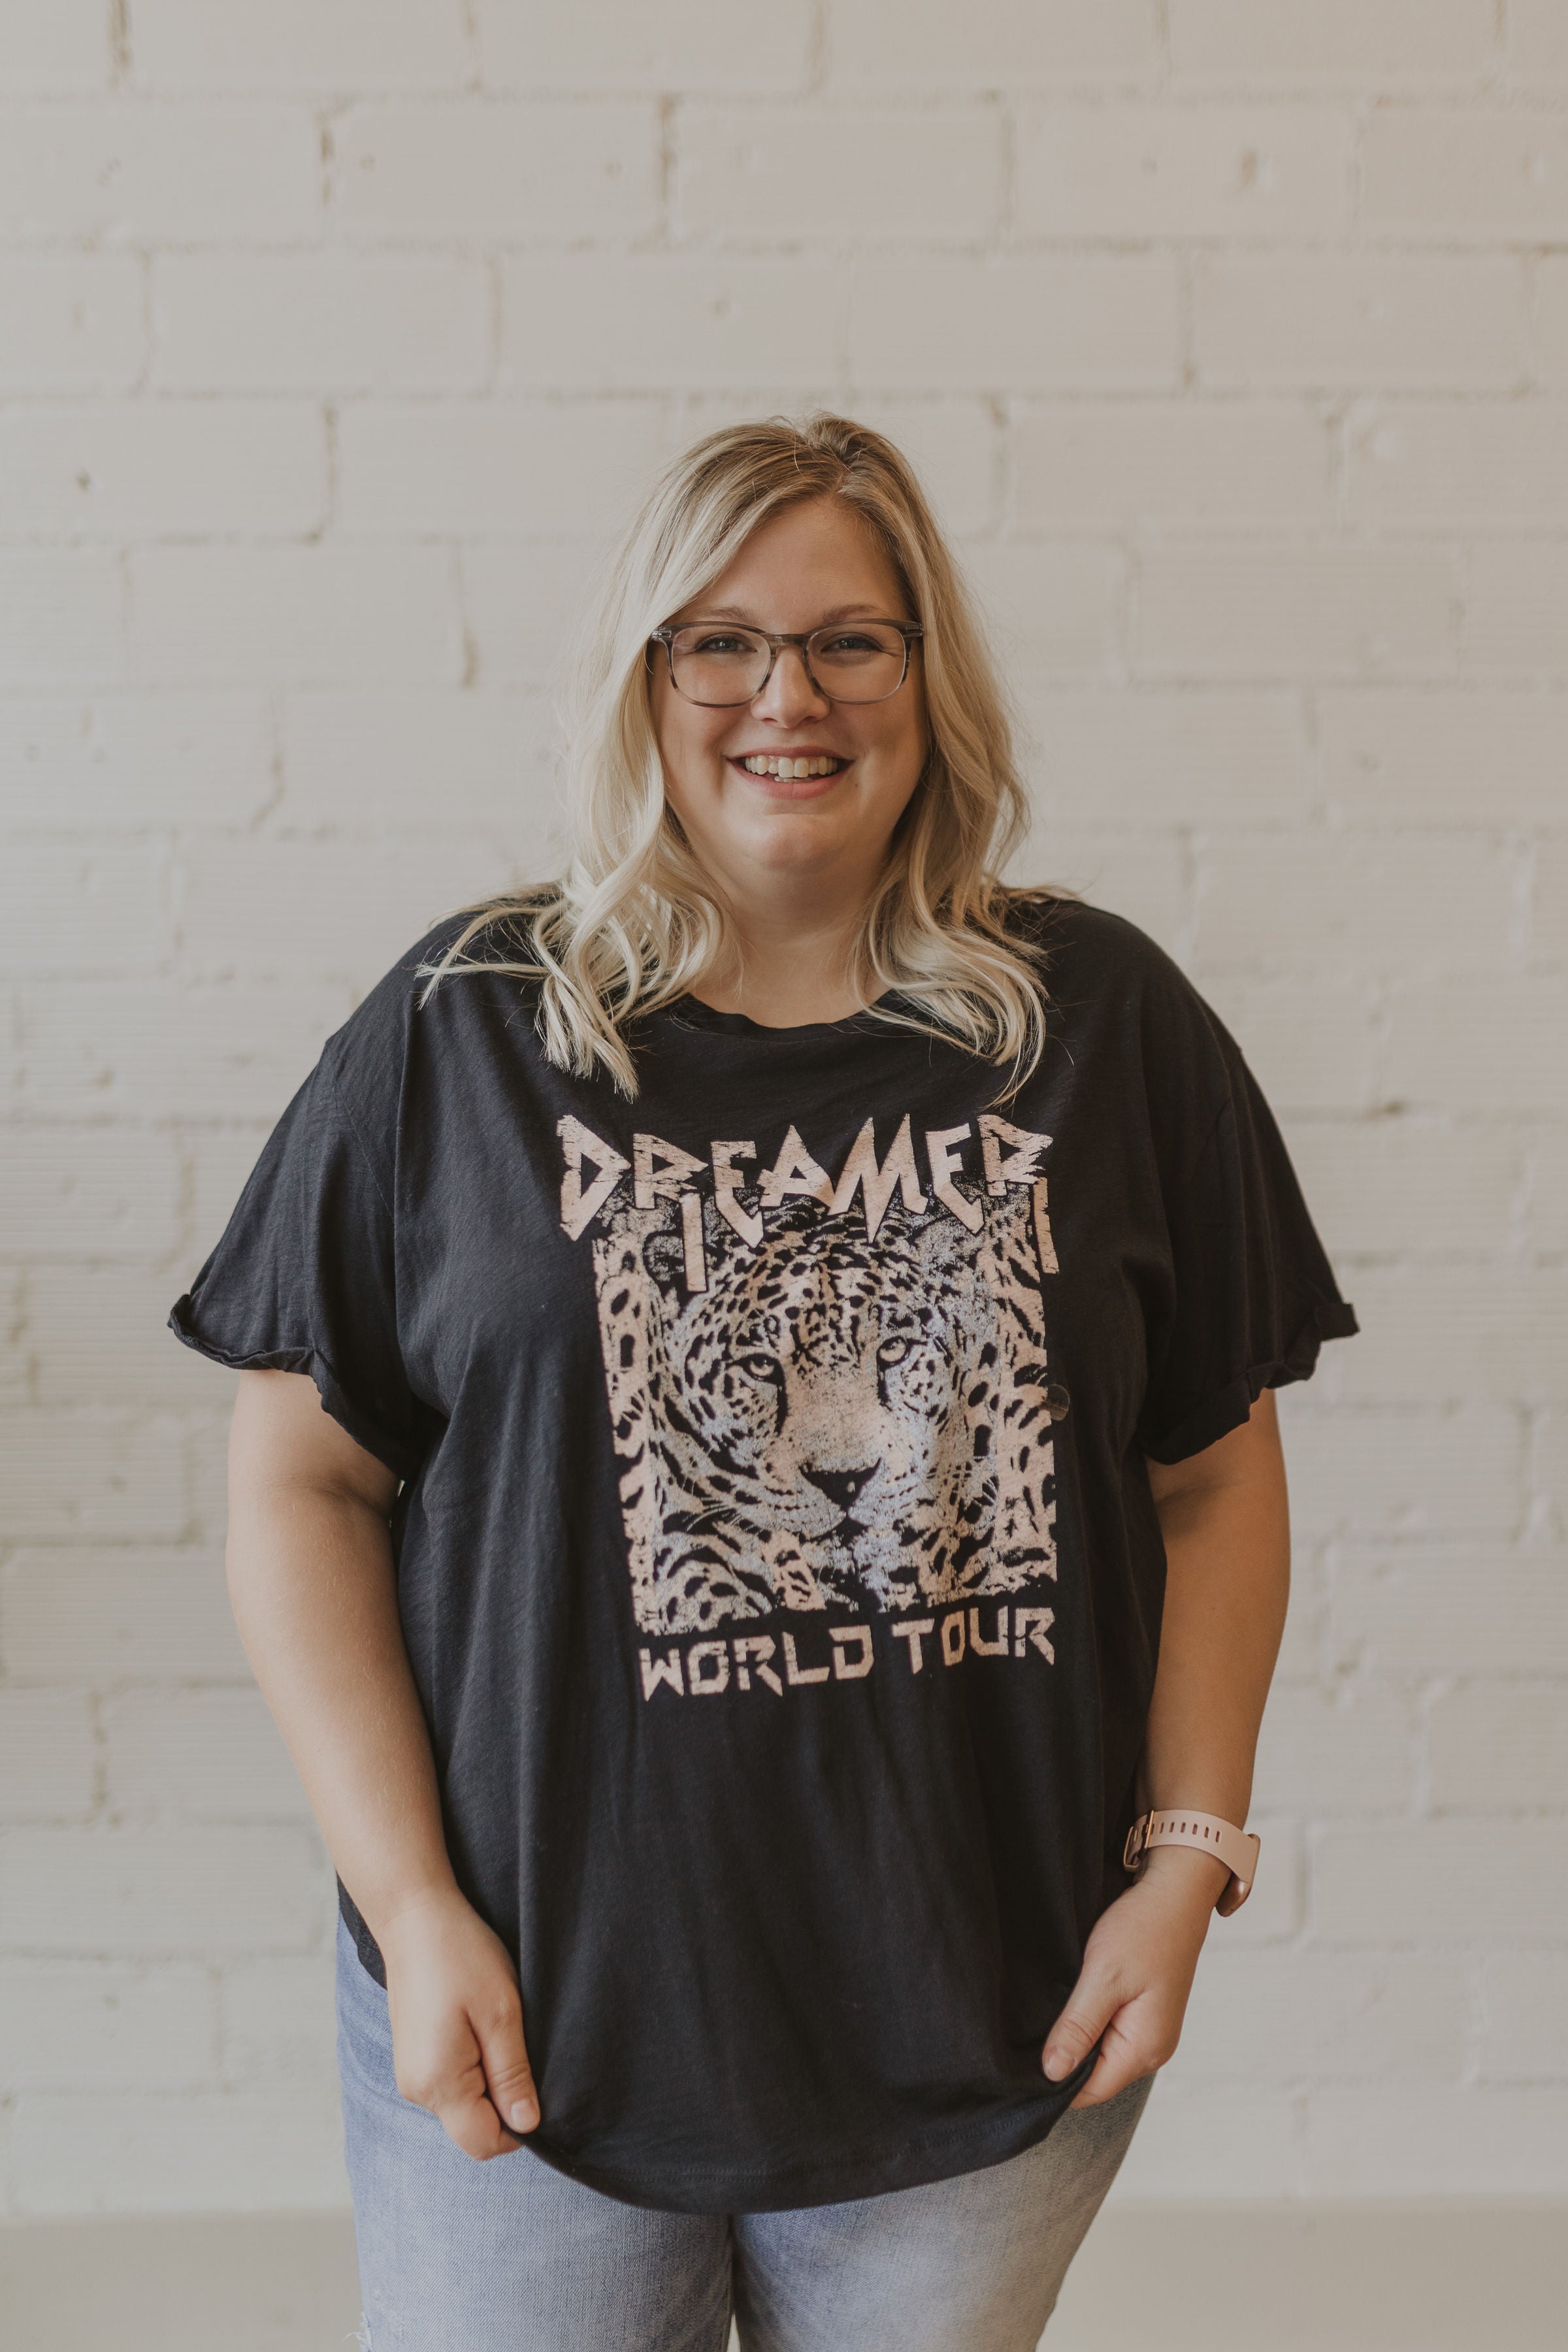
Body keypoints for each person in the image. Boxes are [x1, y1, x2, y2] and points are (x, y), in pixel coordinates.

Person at [169, 412, 1357, 2352]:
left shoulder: (1101, 1026)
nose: (784, 696)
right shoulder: (468, 1030)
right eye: (717, 641)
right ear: (641, 680)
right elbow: (299, 1483)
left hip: (993, 2015)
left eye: (847, 640)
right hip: (528, 2033)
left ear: (926, 677)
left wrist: (1189, 1856)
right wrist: (410, 1905)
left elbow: (1213, 1473)